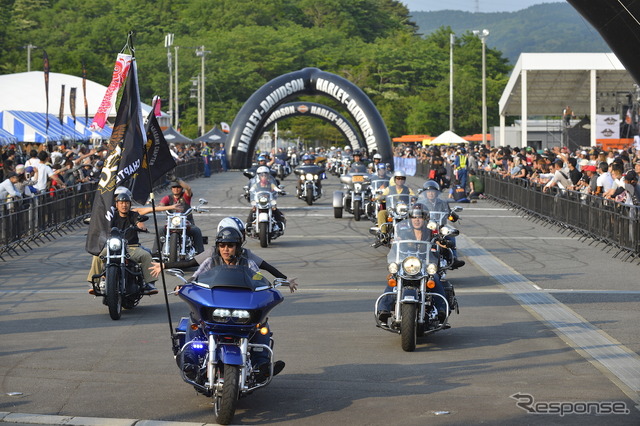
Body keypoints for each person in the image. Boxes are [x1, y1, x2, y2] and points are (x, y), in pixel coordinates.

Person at [181, 226, 298, 380]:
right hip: (216, 308)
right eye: (222, 246)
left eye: (230, 246)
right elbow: (195, 278)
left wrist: (270, 288)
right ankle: (190, 362)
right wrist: (184, 286)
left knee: (261, 326)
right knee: (195, 320)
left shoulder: (248, 264)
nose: (226, 249)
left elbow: (258, 279)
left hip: (241, 310)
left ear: (237, 247)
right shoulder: (211, 262)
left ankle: (261, 365)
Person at [376, 205, 448, 323]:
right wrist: (391, 241)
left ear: (425, 219)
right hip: (408, 265)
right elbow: (395, 248)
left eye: (420, 217)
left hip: (425, 266)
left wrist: (443, 242)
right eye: (414, 217)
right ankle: (383, 309)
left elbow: (442, 245)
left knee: (435, 279)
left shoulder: (431, 233)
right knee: (393, 279)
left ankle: (441, 309)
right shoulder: (403, 233)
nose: (417, 219)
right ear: (410, 219)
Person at [86, 193, 158, 295]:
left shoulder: (133, 215)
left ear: (130, 204)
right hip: (113, 247)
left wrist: (141, 226)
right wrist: (95, 224)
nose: (124, 205)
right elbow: (101, 222)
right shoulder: (111, 216)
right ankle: (94, 283)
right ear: (117, 204)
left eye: (126, 203)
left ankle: (150, 284)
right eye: (121, 203)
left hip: (131, 247)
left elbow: (140, 223)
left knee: (146, 255)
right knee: (97, 255)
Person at [157, 179, 204, 255]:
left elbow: (188, 188)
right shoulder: (168, 198)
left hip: (187, 223)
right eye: (174, 187)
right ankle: (156, 253)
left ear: (182, 188)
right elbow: (161, 204)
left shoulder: (185, 197)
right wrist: (163, 206)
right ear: (171, 189)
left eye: (178, 187)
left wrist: (177, 180)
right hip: (171, 223)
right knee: (160, 230)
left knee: (196, 230)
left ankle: (200, 253)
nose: (176, 189)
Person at [247, 166, 286, 232]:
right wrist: (248, 191)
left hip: (269, 201)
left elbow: (275, 188)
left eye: (265, 175)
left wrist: (280, 190)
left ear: (268, 176)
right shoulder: (256, 184)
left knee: (275, 209)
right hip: (259, 201)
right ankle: (248, 225)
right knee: (253, 209)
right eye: (262, 175)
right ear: (259, 176)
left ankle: (280, 224)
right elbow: (252, 189)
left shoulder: (270, 183)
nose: (264, 177)